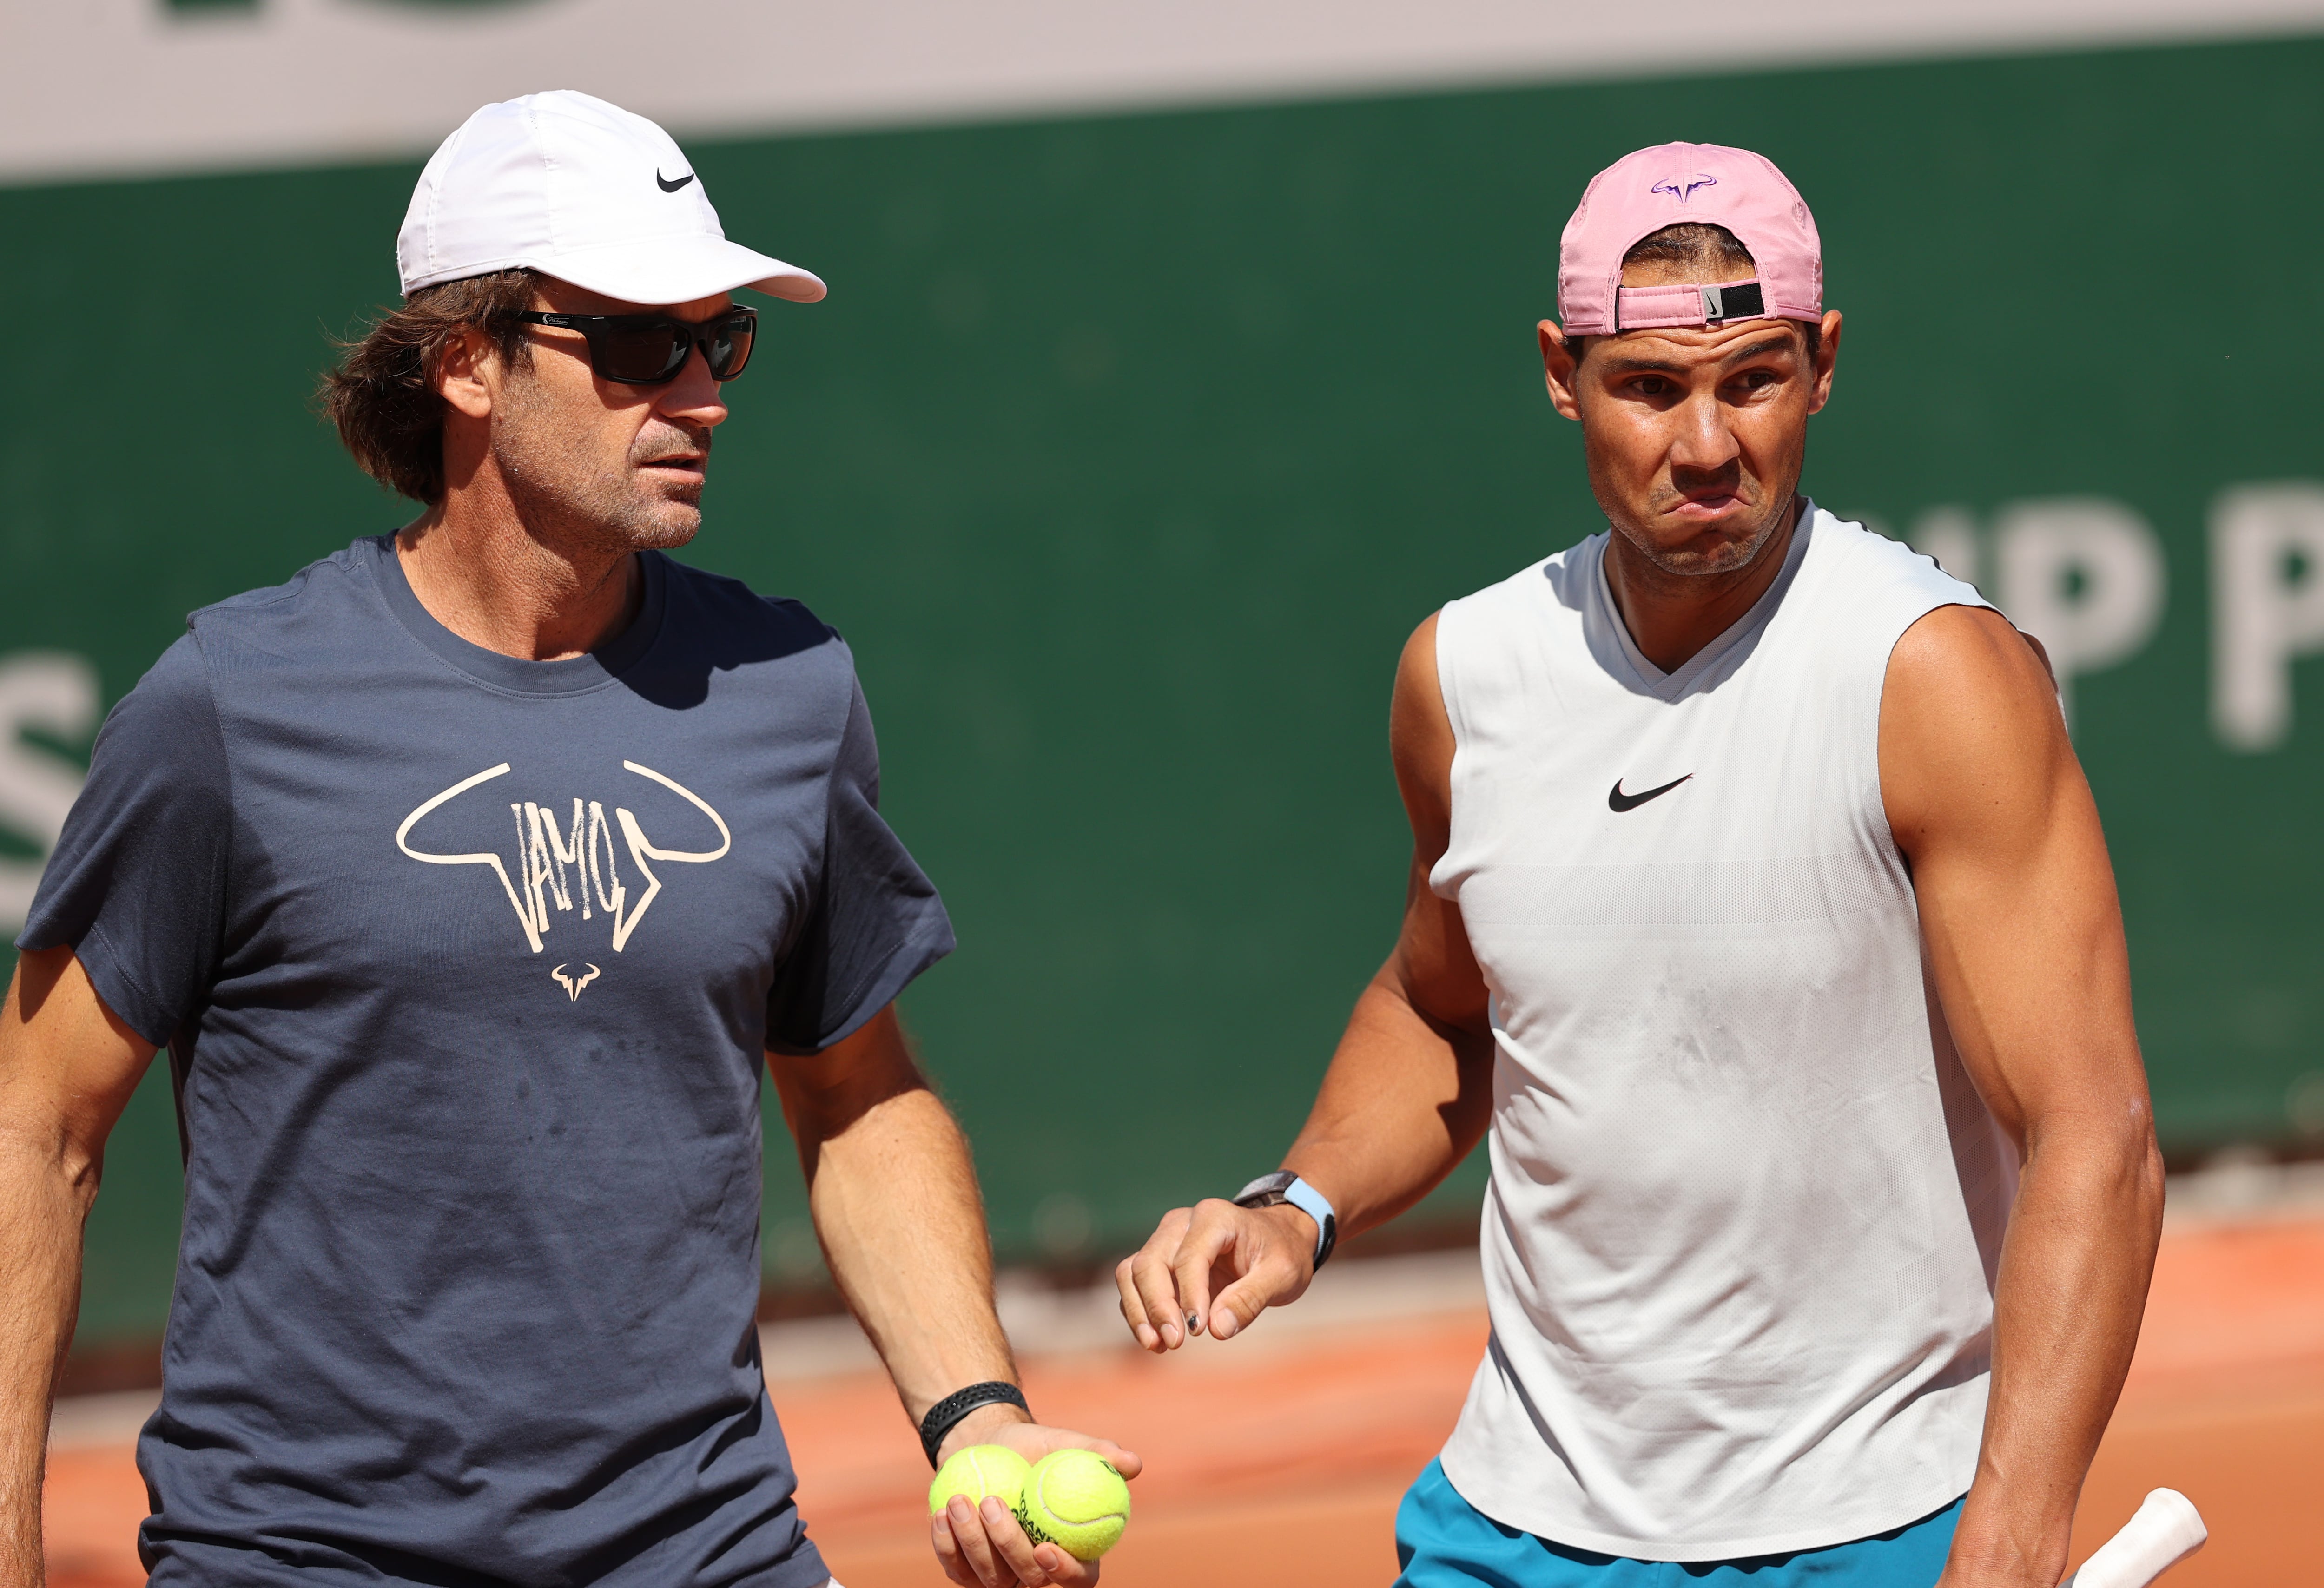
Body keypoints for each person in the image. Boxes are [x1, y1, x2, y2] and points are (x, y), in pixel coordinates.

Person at [0, 91, 1123, 1588]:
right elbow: (37, 1134)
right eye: (641, 343)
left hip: (704, 1550)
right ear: (467, 360)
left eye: (718, 340)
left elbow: (857, 1093)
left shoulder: (789, 690)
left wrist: (981, 1407)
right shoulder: (232, 703)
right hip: (311, 1558)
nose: (704, 395)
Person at [1116, 142, 2164, 1588]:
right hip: (1516, 1522)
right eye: (1651, 386)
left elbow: (2092, 1134)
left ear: (1824, 363)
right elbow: (1445, 1005)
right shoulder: (1465, 674)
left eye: (1754, 376)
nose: (1709, 443)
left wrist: (2014, 1532)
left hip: (1871, 1527)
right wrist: (1296, 1204)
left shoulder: (1933, 680)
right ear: (1562, 373)